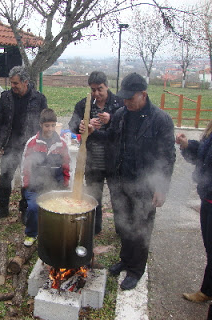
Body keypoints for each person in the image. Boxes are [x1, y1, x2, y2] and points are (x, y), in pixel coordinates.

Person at [80, 72, 176, 290]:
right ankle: (125, 259)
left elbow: (167, 157)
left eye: (130, 98)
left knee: (140, 227)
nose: (125, 102)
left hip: (145, 184)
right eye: (123, 97)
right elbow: (111, 138)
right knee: (123, 224)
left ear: (143, 95)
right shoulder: (122, 113)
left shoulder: (161, 120)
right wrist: (94, 132)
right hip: (120, 181)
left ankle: (136, 269)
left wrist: (162, 188)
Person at [0, 66, 48, 220]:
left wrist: (42, 145)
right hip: (10, 145)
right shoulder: (6, 97)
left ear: (25, 82)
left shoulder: (39, 99)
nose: (12, 86)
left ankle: (25, 211)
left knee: (27, 180)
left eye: (15, 83)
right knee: (5, 178)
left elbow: (44, 123)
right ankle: (3, 209)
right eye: (11, 83)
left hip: (30, 147)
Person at [69, 71, 124, 235]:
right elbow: (71, 127)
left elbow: (125, 129)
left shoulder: (119, 104)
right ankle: (95, 228)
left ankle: (121, 230)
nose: (97, 93)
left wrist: (112, 118)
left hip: (115, 160)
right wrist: (82, 124)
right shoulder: (83, 105)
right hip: (92, 160)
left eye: (100, 89)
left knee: (118, 197)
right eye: (93, 90)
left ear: (107, 86)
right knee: (94, 195)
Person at [20, 108, 70, 246]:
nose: (50, 129)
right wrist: (26, 185)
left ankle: (55, 232)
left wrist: (65, 183)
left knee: (60, 209)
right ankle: (31, 233)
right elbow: (25, 165)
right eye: (47, 125)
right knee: (33, 208)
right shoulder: (32, 143)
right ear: (41, 125)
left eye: (53, 125)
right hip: (35, 186)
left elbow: (67, 165)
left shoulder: (62, 143)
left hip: (55, 185)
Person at [176, 121, 212, 303]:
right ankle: (207, 291)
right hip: (208, 198)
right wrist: (187, 145)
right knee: (210, 248)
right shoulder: (211, 130)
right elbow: (202, 156)